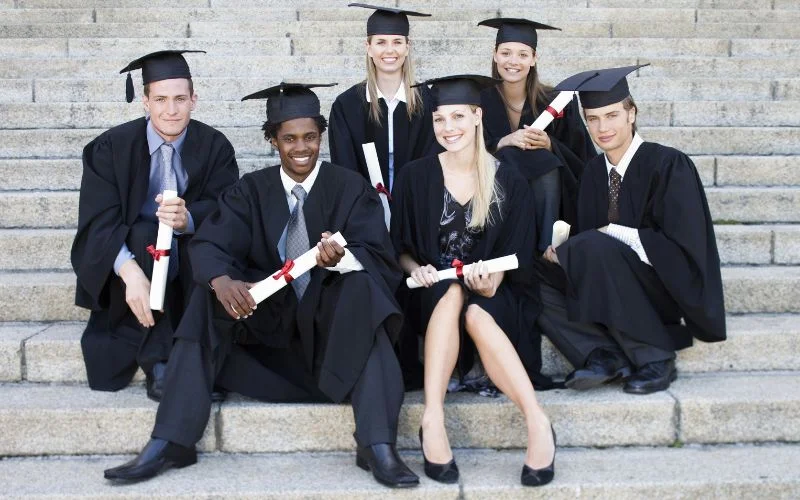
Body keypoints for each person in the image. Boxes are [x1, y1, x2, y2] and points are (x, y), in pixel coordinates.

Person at [103, 82, 419, 489]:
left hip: (337, 347)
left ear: (321, 136)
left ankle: (377, 445)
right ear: (273, 140)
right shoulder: (250, 190)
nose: (301, 147)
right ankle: (171, 440)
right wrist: (222, 281)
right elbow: (210, 242)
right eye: (289, 138)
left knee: (362, 292)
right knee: (206, 297)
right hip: (272, 347)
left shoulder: (350, 187)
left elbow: (380, 255)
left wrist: (342, 260)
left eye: (310, 137)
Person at [391, 75, 556, 487]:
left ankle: (537, 422)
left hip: (493, 295)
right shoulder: (415, 176)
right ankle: (433, 417)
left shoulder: (508, 180)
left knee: (479, 314)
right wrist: (417, 269)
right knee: (449, 292)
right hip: (432, 294)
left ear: (478, 116)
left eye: (458, 117)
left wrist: (492, 280)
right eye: (440, 119)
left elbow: (517, 255)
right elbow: (401, 248)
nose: (449, 128)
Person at [539, 65, 726, 394]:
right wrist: (564, 252)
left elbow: (684, 249)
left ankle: (655, 357)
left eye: (611, 115)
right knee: (531, 272)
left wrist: (606, 236)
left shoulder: (669, 165)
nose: (602, 127)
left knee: (596, 245)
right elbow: (587, 245)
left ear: (631, 113)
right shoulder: (594, 173)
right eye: (592, 118)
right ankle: (603, 354)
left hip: (664, 288)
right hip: (610, 287)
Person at [71, 50, 239, 401]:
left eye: (180, 99)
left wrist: (188, 219)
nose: (171, 110)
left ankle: (198, 358)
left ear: (194, 99)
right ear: (145, 101)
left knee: (201, 249)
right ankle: (160, 362)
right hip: (136, 257)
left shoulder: (215, 146)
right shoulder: (110, 148)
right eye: (160, 99)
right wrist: (129, 273)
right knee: (147, 234)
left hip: (189, 253)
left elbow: (229, 210)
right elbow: (97, 221)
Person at [478, 18, 595, 252]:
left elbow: (584, 157)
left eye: (523, 54)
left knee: (544, 161)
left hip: (549, 201)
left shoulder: (556, 102)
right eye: (506, 53)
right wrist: (502, 142)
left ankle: (546, 249)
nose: (513, 61)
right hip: (492, 198)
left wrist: (551, 145)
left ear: (534, 59)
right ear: (495, 55)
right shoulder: (478, 99)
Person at [328, 3, 438, 192]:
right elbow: (344, 170)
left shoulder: (428, 101)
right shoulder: (346, 106)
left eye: (397, 42)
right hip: (363, 211)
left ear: (407, 47)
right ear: (368, 47)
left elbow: (434, 162)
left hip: (416, 208)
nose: (389, 50)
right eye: (381, 42)